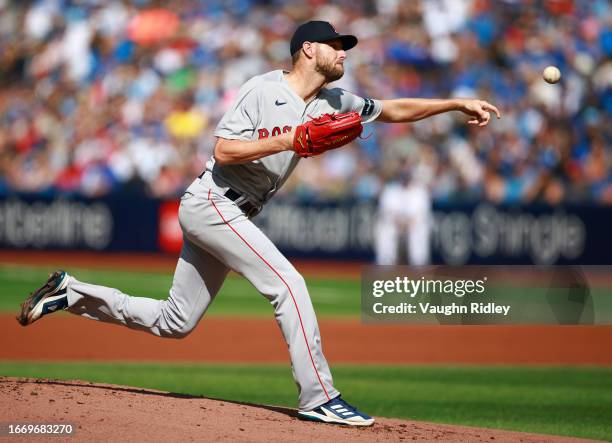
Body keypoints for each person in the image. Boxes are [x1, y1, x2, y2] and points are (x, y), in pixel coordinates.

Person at [18, 20, 500, 427]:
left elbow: (392, 109)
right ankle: (319, 398)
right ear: (309, 50)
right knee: (289, 283)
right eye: (336, 45)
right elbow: (223, 149)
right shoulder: (263, 89)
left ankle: (71, 292)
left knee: (175, 322)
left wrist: (455, 103)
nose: (343, 52)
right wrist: (290, 139)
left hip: (235, 209)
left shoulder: (336, 101)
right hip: (213, 201)